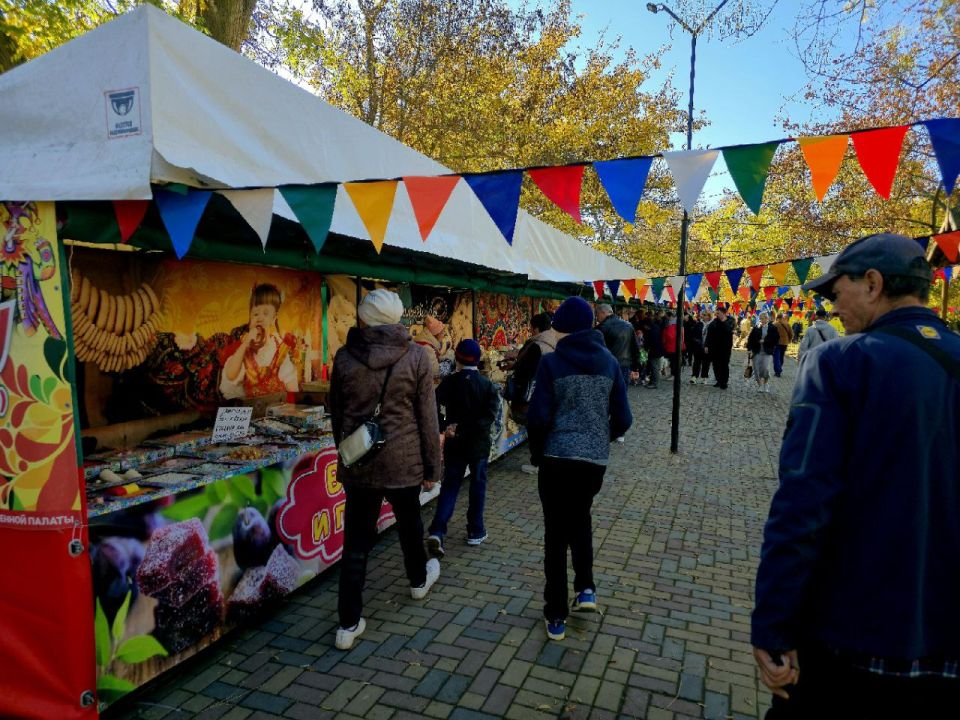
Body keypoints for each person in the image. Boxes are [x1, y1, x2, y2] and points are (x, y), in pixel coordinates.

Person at [752, 233, 960, 718]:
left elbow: (803, 502)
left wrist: (774, 623)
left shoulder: (843, 362)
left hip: (853, 635)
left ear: (872, 283)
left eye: (834, 291)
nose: (831, 307)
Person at [329, 289, 442, 650]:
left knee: (356, 540)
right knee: (410, 526)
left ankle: (347, 623)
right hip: (403, 462)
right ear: (397, 318)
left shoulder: (345, 358)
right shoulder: (417, 357)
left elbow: (338, 414)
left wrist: (345, 452)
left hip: (360, 464)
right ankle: (418, 581)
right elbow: (427, 418)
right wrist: (432, 467)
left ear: (364, 318)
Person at [526, 296, 632, 641]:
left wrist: (538, 452)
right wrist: (602, 435)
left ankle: (556, 613)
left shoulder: (552, 363)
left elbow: (538, 416)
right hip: (592, 463)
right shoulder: (609, 363)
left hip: (556, 459)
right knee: (581, 519)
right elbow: (624, 418)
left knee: (555, 535)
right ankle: (585, 588)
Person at [426, 339, 500, 557]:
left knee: (450, 486)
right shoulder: (487, 385)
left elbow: (432, 407)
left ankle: (438, 531)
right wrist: (466, 429)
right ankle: (475, 530)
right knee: (477, 486)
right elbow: (489, 417)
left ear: (457, 358)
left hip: (455, 443)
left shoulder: (450, 382)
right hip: (478, 444)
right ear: (478, 360)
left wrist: (447, 427)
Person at [220, 283, 299, 399]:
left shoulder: (279, 348)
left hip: (276, 407)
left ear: (273, 319)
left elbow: (291, 382)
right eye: (255, 314)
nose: (259, 318)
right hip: (251, 410)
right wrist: (245, 344)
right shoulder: (243, 347)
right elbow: (231, 375)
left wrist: (293, 408)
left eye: (266, 313)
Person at [506, 312, 557, 425]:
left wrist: (514, 367)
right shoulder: (553, 343)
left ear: (537, 329)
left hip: (530, 399)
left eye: (531, 328)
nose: (531, 331)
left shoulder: (537, 346)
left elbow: (526, 372)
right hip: (546, 395)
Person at [595, 303, 641, 387]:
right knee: (621, 394)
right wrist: (635, 368)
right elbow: (635, 348)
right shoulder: (629, 326)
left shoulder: (601, 328)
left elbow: (595, 350)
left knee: (607, 395)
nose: (597, 318)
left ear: (602, 313)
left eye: (597, 315)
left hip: (607, 367)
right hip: (625, 366)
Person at [746, 312, 778, 393]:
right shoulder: (756, 327)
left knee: (765, 368)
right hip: (756, 351)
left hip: (767, 351)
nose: (762, 320)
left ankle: (765, 383)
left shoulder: (772, 327)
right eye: (761, 318)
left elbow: (776, 339)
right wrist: (749, 348)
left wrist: (765, 341)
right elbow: (750, 338)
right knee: (757, 369)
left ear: (768, 318)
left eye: (764, 318)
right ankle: (760, 385)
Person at [704, 305, 733, 389]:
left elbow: (729, 331)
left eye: (718, 313)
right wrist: (706, 345)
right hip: (714, 347)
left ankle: (724, 382)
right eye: (716, 313)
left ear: (724, 313)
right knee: (716, 365)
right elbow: (709, 334)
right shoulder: (714, 322)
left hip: (725, 348)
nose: (717, 315)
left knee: (724, 365)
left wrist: (723, 322)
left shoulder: (730, 321)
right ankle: (718, 380)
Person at [772, 313, 793, 377]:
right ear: (782, 318)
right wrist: (788, 340)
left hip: (776, 343)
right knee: (781, 356)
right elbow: (791, 334)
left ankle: (778, 371)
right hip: (784, 343)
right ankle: (779, 368)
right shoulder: (787, 324)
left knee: (776, 357)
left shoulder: (774, 324)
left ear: (777, 318)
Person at [687, 312, 706, 384]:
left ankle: (704, 377)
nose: (703, 317)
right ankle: (694, 376)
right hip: (698, 346)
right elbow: (693, 334)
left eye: (705, 315)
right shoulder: (698, 324)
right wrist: (696, 341)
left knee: (705, 362)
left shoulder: (711, 325)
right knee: (697, 362)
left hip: (706, 346)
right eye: (703, 315)